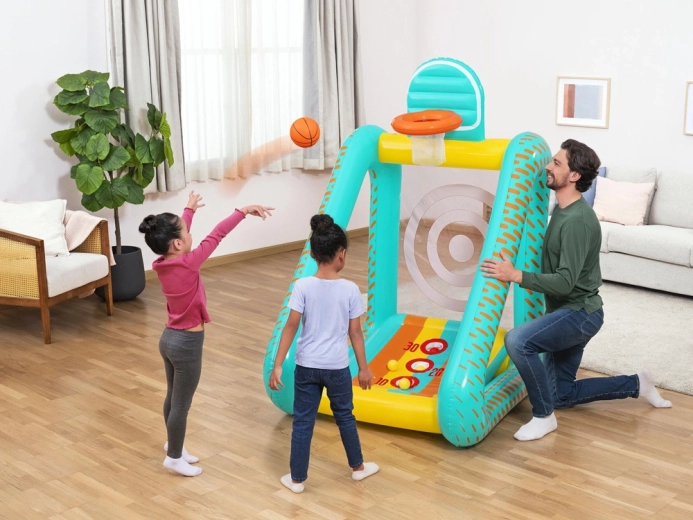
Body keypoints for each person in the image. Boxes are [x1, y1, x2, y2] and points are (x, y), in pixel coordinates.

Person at [480, 139, 671, 442]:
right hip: (565, 312)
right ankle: (638, 384)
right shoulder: (562, 209)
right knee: (562, 394)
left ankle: (543, 417)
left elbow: (565, 282)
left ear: (574, 175)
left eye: (556, 163)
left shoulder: (578, 221)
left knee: (517, 341)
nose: (548, 166)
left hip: (580, 314)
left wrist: (516, 275)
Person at [139, 191, 273, 476]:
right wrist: (242, 211)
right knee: (181, 405)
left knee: (173, 397)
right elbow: (217, 234)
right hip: (186, 344)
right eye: (186, 231)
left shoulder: (162, 263)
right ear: (178, 243)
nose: (190, 233)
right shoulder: (189, 262)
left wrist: (188, 211)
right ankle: (174, 457)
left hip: (168, 340)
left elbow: (179, 236)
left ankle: (173, 444)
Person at [269, 214, 379, 493]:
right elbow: (355, 333)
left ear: (313, 254)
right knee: (345, 416)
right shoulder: (350, 289)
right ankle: (358, 468)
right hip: (337, 368)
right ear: (341, 255)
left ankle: (296, 479)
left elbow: (291, 326)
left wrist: (278, 364)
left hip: (306, 366)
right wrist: (364, 368)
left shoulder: (303, 285)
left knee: (303, 421)